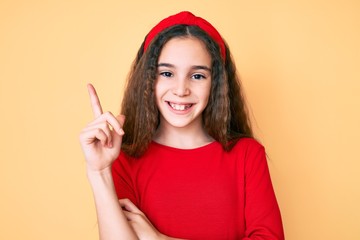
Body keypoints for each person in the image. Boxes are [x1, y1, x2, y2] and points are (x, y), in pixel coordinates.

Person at [80, 11, 284, 240]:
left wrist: (159, 239)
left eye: (197, 76)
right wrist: (98, 172)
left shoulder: (247, 155)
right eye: (167, 73)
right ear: (148, 81)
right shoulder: (122, 160)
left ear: (216, 85)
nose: (180, 89)